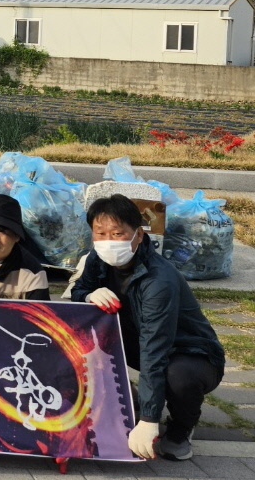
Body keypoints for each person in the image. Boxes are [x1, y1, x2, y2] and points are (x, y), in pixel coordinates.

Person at [71, 194, 224, 461]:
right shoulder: (97, 258)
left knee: (178, 378)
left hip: (189, 353)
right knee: (81, 334)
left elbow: (155, 348)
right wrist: (87, 295)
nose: (108, 241)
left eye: (118, 233)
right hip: (138, 343)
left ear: (138, 235)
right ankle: (130, 400)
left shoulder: (158, 281)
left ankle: (180, 429)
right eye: (100, 233)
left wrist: (150, 421)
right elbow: (80, 289)